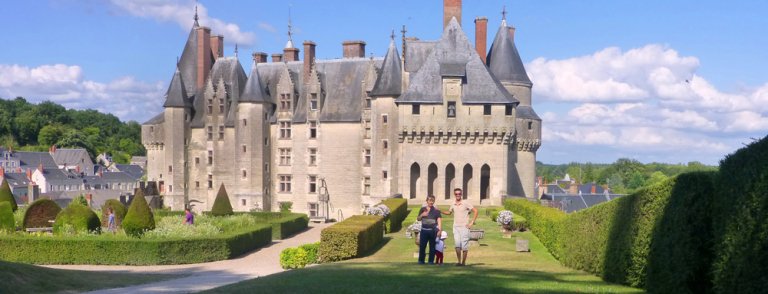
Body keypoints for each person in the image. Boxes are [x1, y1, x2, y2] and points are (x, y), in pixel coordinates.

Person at [442, 188, 478, 266]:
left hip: (464, 227)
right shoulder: (453, 203)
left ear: (461, 194)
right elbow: (449, 212)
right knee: (457, 245)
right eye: (456, 194)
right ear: (454, 194)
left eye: (459, 194)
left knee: (464, 246)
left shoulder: (466, 203)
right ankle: (459, 262)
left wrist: (472, 222)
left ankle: (463, 262)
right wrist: (440, 211)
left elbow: (475, 211)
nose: (458, 195)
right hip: (456, 227)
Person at [416, 195, 442, 264]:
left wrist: (440, 230)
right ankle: (421, 261)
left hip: (433, 231)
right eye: (430, 200)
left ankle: (431, 261)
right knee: (422, 246)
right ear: (427, 201)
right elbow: (418, 219)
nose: (431, 202)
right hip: (424, 230)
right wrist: (422, 215)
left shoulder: (436, 210)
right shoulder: (422, 209)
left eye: (432, 201)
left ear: (434, 201)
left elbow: (439, 220)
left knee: (432, 247)